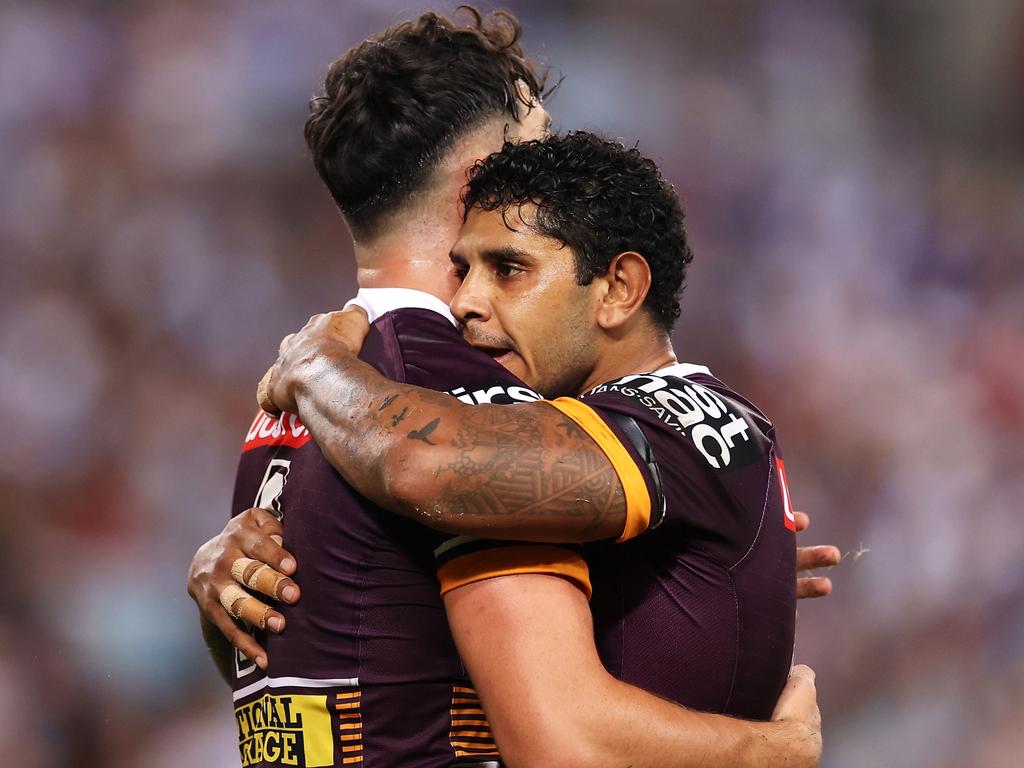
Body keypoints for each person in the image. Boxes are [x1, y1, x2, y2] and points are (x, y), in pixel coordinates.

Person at [187, 9, 835, 767]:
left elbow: (344, 670)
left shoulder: (293, 408)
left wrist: (684, 568)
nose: (555, 158)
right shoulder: (456, 393)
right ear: (479, 179)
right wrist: (775, 751)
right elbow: (560, 740)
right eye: (537, 137)